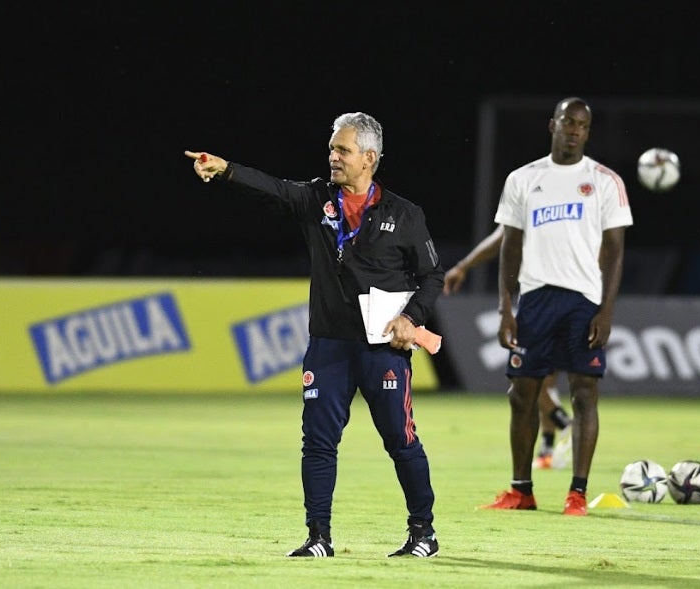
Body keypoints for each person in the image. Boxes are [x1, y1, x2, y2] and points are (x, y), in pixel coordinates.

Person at [185, 112, 443, 557]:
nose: (333, 157)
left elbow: (433, 276)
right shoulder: (316, 200)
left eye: (342, 150)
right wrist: (226, 169)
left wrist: (411, 318)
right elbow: (271, 188)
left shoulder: (404, 214)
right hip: (328, 345)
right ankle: (318, 537)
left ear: (369, 158)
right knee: (318, 444)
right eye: (331, 149)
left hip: (381, 348)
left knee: (400, 441)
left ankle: (424, 532)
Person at [480, 97, 633, 515]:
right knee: (521, 394)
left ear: (588, 131)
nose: (574, 131)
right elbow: (510, 246)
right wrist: (505, 307)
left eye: (582, 125)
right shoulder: (523, 179)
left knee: (585, 394)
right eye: (568, 122)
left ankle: (577, 494)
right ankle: (521, 491)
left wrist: (606, 310)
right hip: (534, 299)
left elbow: (616, 252)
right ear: (552, 125)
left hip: (583, 300)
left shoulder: (605, 181)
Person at [442, 226, 573, 470]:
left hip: (542, 300)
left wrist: (463, 266)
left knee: (526, 377)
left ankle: (564, 422)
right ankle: (547, 447)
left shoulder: (530, 194)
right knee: (545, 380)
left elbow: (500, 237)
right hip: (572, 299)